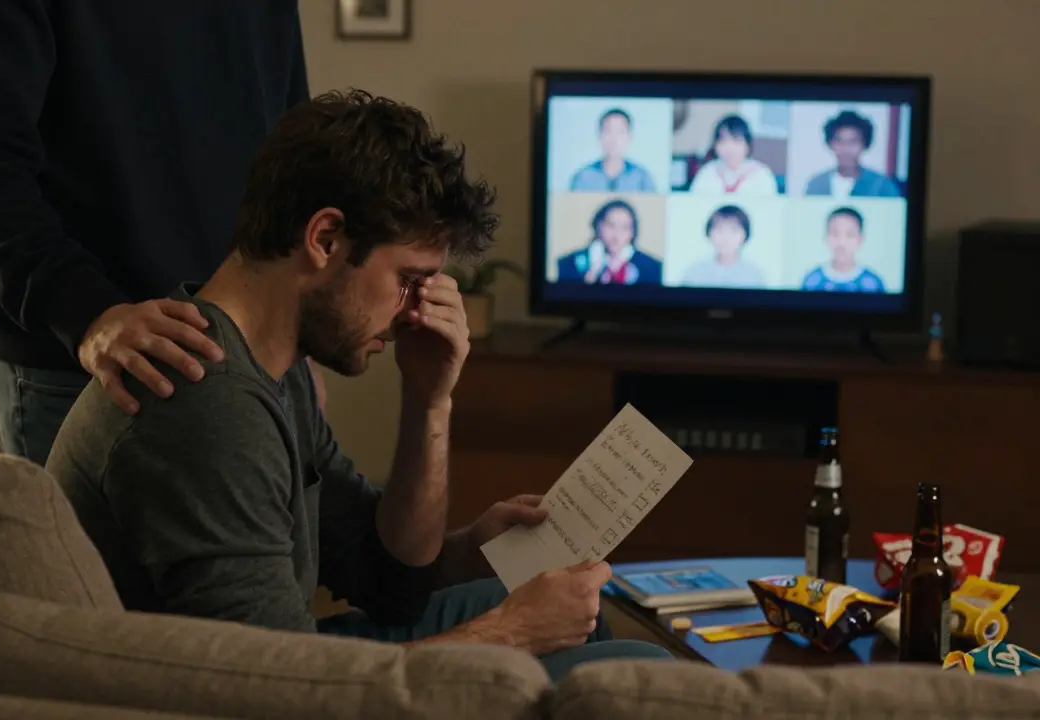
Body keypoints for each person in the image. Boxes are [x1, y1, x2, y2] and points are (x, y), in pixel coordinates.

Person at [47, 90, 673, 682]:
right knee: (633, 668)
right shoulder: (204, 402)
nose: (414, 312)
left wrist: (431, 399)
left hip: (283, 666)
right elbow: (273, 688)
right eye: (407, 279)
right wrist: (512, 633)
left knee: (584, 635)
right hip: (253, 689)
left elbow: (390, 581)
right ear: (324, 239)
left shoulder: (271, 366)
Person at [0, 1, 315, 466]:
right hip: (89, 367)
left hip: (252, 355)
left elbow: (292, 153)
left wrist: (298, 330)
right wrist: (89, 312)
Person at [555, 200, 663, 286]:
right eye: (611, 226)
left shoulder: (652, 267)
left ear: (633, 232)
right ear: (598, 226)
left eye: (625, 228)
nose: (617, 235)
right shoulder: (568, 263)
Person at [803, 110, 902, 198]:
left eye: (853, 142)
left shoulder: (881, 185)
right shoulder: (816, 184)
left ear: (864, 144)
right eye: (840, 141)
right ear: (831, 143)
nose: (846, 148)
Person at [688, 115, 779, 196]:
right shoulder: (707, 172)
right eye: (723, 141)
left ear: (747, 145)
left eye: (736, 141)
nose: (729, 147)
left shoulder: (762, 174)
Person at [569, 109, 657, 192]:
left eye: (620, 132)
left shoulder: (641, 178)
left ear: (629, 137)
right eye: (608, 131)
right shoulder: (584, 177)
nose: (613, 139)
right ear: (599, 136)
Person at [801, 207, 886, 292]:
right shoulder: (812, 281)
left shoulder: (873, 284)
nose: (842, 243)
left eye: (850, 235)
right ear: (826, 237)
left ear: (860, 239)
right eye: (835, 233)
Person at [680, 205, 766, 289]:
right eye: (719, 229)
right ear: (709, 233)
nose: (725, 237)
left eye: (733, 230)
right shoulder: (694, 273)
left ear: (745, 235)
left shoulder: (754, 275)